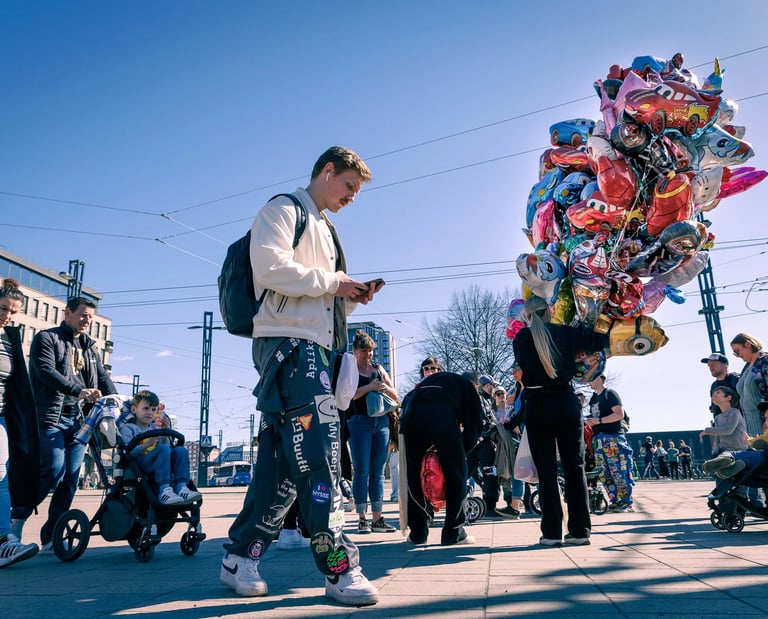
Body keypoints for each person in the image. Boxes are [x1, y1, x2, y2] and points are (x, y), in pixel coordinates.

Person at [220, 146, 382, 606]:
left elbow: (315, 291)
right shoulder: (283, 209)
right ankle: (340, 568)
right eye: (349, 185)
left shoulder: (327, 229)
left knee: (280, 460)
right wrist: (334, 283)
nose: (352, 196)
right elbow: (269, 267)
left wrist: (348, 296)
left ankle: (240, 556)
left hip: (313, 346)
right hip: (290, 346)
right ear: (326, 171)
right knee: (320, 449)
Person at [11, 296, 116, 550]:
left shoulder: (90, 347)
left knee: (70, 478)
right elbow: (46, 372)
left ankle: (52, 536)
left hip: (79, 422)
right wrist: (78, 390)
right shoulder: (46, 339)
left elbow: (102, 378)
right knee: (54, 470)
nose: (87, 321)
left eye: (90, 317)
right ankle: (17, 518)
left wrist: (116, 401)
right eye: (82, 315)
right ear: (67, 313)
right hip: (50, 417)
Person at [511, 295, 606, 547]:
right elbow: (598, 341)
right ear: (551, 311)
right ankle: (580, 531)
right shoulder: (566, 333)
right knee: (575, 468)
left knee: (547, 472)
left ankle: (552, 533)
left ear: (528, 316)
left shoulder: (521, 338)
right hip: (566, 403)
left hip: (538, 405)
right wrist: (586, 323)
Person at [400, 371, 484, 546]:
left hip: (411, 411)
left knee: (413, 475)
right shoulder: (468, 387)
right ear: (476, 385)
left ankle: (418, 532)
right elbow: (475, 424)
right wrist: (462, 451)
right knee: (457, 475)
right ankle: (454, 532)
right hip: (440, 413)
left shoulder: (437, 381)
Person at [0, 279, 41, 567]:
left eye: (13, 312)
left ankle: (4, 540)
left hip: (2, 416)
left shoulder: (8, 337)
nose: (7, 316)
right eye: (3, 308)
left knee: (2, 476)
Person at [345, 330, 398, 535]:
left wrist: (382, 386)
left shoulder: (378, 368)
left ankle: (378, 518)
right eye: (364, 351)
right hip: (359, 422)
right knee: (361, 471)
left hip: (381, 422)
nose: (368, 355)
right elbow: (349, 396)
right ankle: (361, 518)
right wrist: (370, 387)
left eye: (371, 351)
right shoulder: (350, 370)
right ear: (355, 351)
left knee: (377, 473)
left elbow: (394, 393)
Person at [118, 390, 201, 505]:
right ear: (134, 410)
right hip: (140, 464)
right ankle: (164, 490)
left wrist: (164, 433)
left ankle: (183, 488)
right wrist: (146, 444)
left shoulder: (155, 428)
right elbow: (128, 453)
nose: (150, 413)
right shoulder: (129, 428)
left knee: (180, 450)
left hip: (160, 462)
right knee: (163, 449)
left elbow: (165, 447)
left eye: (153, 409)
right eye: (146, 408)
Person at [585, 375, 634, 512]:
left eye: (591, 379)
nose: (588, 382)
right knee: (604, 472)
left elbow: (619, 414)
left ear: (599, 378)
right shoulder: (594, 398)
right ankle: (614, 500)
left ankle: (626, 501)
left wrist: (598, 421)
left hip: (612, 438)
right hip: (598, 439)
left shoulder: (610, 393)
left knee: (618, 470)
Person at [730, 333, 768, 508]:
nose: (737, 355)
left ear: (748, 344)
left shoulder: (764, 362)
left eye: (738, 351)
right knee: (759, 466)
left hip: (764, 421)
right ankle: (757, 504)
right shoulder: (747, 367)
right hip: (750, 425)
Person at [466, 373, 503, 519]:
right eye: (491, 385)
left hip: (475, 444)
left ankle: (459, 502)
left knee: (467, 473)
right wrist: (481, 437)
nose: (492, 388)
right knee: (491, 473)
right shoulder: (479, 399)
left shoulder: (481, 399)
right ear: (485, 385)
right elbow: (485, 422)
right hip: (482, 444)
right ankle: (490, 505)